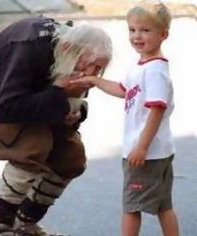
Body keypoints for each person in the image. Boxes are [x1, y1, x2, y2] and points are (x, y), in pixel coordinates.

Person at [0, 16, 112, 236]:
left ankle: (25, 224)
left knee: (71, 158)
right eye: (90, 65)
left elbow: (68, 102)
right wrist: (58, 94)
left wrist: (73, 111)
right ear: (69, 49)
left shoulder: (75, 55)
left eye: (99, 69)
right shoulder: (29, 43)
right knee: (34, 146)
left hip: (30, 100)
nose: (92, 74)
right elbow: (8, 108)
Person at [73, 1, 180, 236]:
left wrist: (141, 147)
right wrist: (95, 81)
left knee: (131, 207)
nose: (137, 36)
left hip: (146, 153)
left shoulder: (154, 71)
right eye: (132, 30)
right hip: (157, 151)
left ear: (164, 35)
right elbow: (124, 90)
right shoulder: (143, 65)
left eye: (145, 30)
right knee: (163, 205)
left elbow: (157, 110)